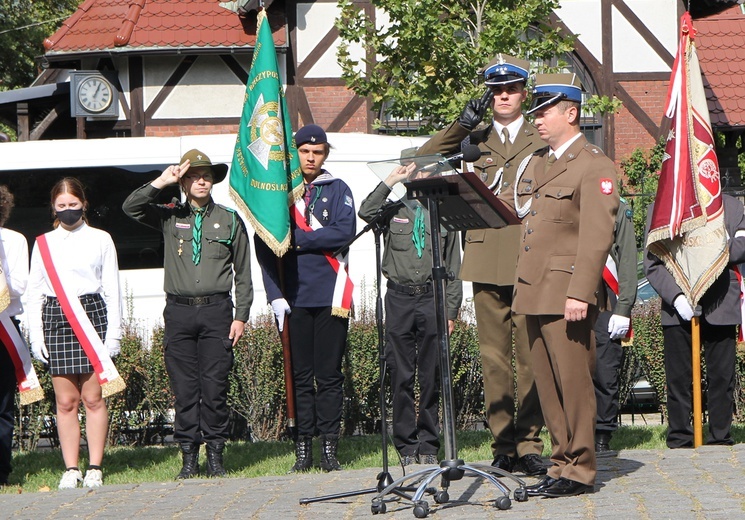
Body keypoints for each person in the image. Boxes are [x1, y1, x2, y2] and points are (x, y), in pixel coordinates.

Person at [416, 53, 546, 476]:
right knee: (494, 359)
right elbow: (424, 157)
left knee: (530, 357)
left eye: (510, 89)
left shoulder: (540, 135)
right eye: (496, 91)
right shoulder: (475, 139)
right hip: (488, 255)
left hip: (531, 256)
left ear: (523, 94)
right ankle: (502, 444)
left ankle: (529, 442)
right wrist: (461, 125)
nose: (503, 96)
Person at [499, 74, 620, 498]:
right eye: (536, 112)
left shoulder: (593, 164)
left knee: (573, 384)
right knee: (546, 386)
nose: (538, 120)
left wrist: (580, 291)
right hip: (533, 290)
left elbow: (596, 235)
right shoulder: (537, 163)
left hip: (566, 291)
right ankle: (560, 462)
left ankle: (581, 468)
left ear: (571, 113)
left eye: (545, 111)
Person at [122, 149, 253, 479]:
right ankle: (188, 458)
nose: (201, 180)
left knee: (214, 387)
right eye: (193, 176)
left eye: (206, 175)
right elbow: (131, 208)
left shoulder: (229, 219)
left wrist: (241, 315)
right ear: (183, 181)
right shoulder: (169, 216)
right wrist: (162, 181)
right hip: (179, 313)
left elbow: (243, 272)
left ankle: (216, 457)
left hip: (216, 312)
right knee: (185, 389)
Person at [255, 124, 356, 472]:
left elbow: (345, 231)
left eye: (318, 153)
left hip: (331, 295)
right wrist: (273, 295)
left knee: (329, 377)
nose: (311, 158)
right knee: (300, 377)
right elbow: (265, 243)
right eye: (305, 152)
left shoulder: (337, 188)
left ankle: (329, 449)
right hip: (294, 296)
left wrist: (298, 241)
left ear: (325, 155)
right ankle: (304, 449)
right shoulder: (280, 195)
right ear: (295, 153)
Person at [358, 162, 462, 466]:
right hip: (400, 299)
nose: (422, 176)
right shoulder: (393, 209)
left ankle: (429, 444)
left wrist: (451, 310)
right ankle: (405, 446)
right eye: (415, 170)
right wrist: (391, 179)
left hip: (432, 298)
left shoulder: (443, 214)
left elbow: (454, 267)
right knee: (401, 374)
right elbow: (366, 212)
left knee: (431, 375)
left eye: (427, 171)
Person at [27, 177, 122, 489]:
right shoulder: (43, 243)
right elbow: (35, 293)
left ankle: (95, 465)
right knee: (66, 400)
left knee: (93, 397)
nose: (68, 210)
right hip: (56, 317)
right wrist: (36, 336)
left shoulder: (101, 239)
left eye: (74, 204)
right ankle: (71, 468)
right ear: (54, 207)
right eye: (62, 205)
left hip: (92, 315)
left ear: (84, 204)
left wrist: (114, 336)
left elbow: (112, 289)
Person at [643, 194, 745, 448]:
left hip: (721, 301)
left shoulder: (731, 206)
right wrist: (676, 297)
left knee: (722, 376)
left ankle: (719, 436)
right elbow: (652, 263)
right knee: (678, 377)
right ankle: (680, 436)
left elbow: (742, 247)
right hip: (679, 303)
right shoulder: (661, 206)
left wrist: (701, 250)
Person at [594, 198, 637, 453]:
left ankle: (602, 433)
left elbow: (627, 257)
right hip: (565, 294)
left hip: (605, 296)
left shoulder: (613, 204)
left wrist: (624, 306)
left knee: (604, 370)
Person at [0, 186, 29, 487]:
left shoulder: (14, 240)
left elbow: (20, 285)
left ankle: (1, 471)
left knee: (3, 404)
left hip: (4, 327)